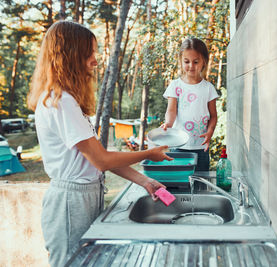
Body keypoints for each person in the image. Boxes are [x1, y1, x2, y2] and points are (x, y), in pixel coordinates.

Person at [27, 21, 173, 267]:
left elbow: (96, 158)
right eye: (89, 53)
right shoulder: (60, 101)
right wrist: (149, 154)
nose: (95, 60)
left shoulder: (67, 100)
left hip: (81, 197)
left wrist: (145, 181)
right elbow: (101, 160)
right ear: (70, 55)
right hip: (70, 203)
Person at [161, 37, 218, 171]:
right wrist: (168, 124)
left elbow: (213, 116)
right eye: (187, 61)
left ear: (204, 61)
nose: (191, 66)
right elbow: (171, 111)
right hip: (178, 146)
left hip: (201, 147)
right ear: (181, 61)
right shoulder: (175, 85)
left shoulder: (208, 88)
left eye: (196, 61)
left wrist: (210, 132)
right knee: (179, 183)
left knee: (200, 184)